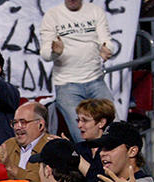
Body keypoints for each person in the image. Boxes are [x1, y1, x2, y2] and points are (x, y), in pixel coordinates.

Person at [39, 0, 114, 143]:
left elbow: (107, 41)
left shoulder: (95, 11)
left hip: (96, 80)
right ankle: (89, 158)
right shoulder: (53, 15)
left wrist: (107, 49)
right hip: (66, 85)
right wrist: (55, 52)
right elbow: (45, 54)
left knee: (113, 128)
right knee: (82, 133)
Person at [0, 101, 52, 182]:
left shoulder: (51, 147)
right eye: (15, 122)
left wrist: (11, 168)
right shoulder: (8, 145)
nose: (17, 127)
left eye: (23, 122)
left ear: (40, 125)